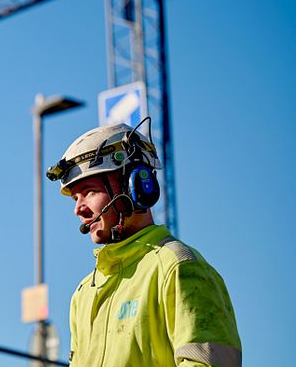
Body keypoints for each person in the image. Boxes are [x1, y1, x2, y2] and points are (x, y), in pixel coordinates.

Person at [46, 122, 241, 367]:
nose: (78, 209)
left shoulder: (177, 267)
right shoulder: (84, 293)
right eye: (75, 198)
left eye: (90, 192)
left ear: (136, 185)